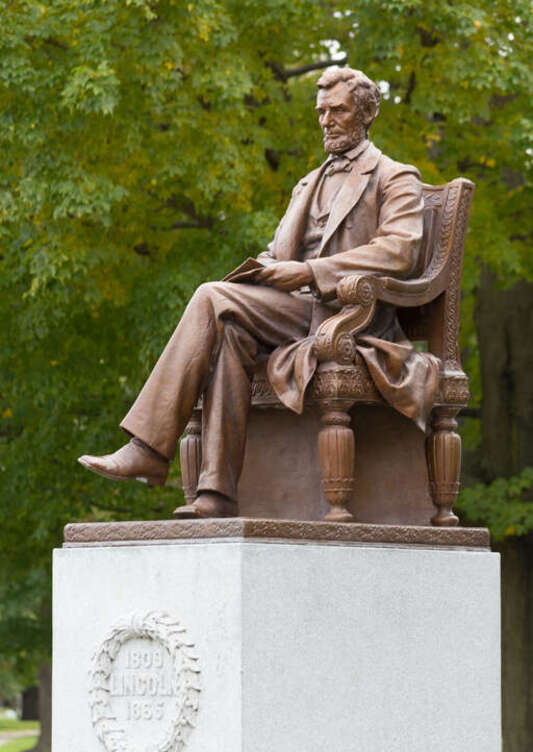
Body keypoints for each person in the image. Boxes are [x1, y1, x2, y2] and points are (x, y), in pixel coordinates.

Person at [79, 66, 439, 518]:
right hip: (293, 310)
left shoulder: (395, 176)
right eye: (321, 112)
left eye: (339, 110)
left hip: (350, 317)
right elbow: (277, 251)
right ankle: (215, 494)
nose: (327, 120)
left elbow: (399, 250)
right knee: (228, 332)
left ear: (366, 113)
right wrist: (265, 271)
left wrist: (310, 271)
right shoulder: (307, 183)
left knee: (212, 298)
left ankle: (149, 447)